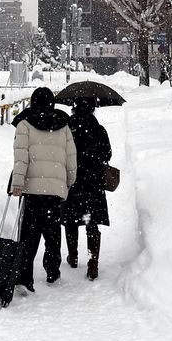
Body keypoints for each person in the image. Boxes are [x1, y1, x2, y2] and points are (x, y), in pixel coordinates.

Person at [10, 86, 76, 291]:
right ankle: (52, 272)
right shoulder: (63, 125)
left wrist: (17, 184)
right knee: (52, 233)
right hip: (54, 191)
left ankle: (24, 277)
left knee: (29, 236)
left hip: (31, 190)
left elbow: (21, 158)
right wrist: (69, 181)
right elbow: (71, 158)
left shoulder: (25, 125)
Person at [62, 97, 112, 281]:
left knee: (70, 220)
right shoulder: (98, 129)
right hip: (93, 184)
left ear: (74, 108)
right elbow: (108, 154)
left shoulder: (67, 129)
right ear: (92, 110)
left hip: (72, 182)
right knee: (90, 221)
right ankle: (93, 262)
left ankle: (73, 256)